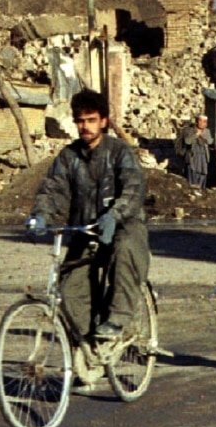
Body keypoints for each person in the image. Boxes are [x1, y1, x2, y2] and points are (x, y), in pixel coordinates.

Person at [27, 89, 150, 355]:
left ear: (104, 121)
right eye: (80, 120)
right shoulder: (68, 157)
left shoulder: (120, 152)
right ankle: (88, 351)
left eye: (91, 119)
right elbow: (53, 190)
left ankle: (118, 319)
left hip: (122, 227)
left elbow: (133, 188)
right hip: (85, 231)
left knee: (125, 249)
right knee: (69, 287)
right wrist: (41, 215)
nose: (85, 126)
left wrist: (114, 216)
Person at [175, 114, 213, 188]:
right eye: (200, 121)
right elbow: (187, 141)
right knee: (192, 173)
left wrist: (203, 136)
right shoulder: (189, 130)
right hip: (193, 156)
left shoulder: (207, 131)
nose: (202, 123)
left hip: (203, 157)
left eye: (204, 122)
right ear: (197, 122)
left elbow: (210, 141)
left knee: (203, 173)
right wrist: (196, 135)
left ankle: (201, 190)